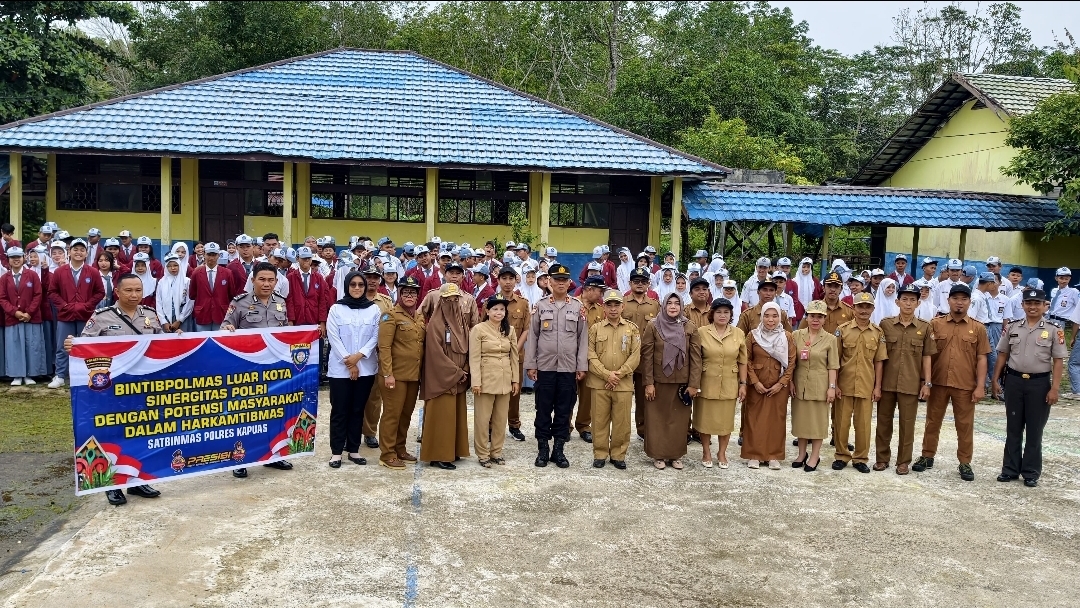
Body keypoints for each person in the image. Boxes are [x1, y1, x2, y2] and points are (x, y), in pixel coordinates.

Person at [63, 274, 163, 505]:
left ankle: (138, 481)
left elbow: (162, 345)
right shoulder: (101, 317)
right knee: (112, 434)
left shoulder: (150, 315)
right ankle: (113, 485)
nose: (134, 295)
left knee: (141, 432)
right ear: (117, 292)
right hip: (111, 390)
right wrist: (73, 344)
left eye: (138, 290)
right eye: (128, 290)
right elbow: (83, 345)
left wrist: (177, 338)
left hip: (141, 388)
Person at [221, 262, 294, 478]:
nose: (266, 284)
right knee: (244, 416)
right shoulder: (240, 303)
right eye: (262, 279)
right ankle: (240, 458)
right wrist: (227, 329)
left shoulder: (281, 303)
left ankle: (273, 455)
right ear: (253, 280)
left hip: (275, 371)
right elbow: (225, 326)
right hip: (247, 370)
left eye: (271, 280)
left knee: (274, 412)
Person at [913, 284, 991, 481]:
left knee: (964, 425)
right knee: (932, 422)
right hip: (938, 383)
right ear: (948, 300)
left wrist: (981, 386)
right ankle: (927, 455)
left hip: (965, 385)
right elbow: (927, 355)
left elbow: (982, 358)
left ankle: (965, 462)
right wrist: (925, 381)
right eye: (955, 298)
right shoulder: (935, 324)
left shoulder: (978, 328)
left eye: (963, 299)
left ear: (969, 302)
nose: (959, 302)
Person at [991, 288, 1065, 487]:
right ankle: (1010, 470)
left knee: (1034, 430)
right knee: (1013, 428)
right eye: (1029, 303)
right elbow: (1002, 355)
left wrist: (1055, 388)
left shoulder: (1053, 329)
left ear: (1044, 305)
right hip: (1014, 382)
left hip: (1039, 384)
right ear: (1022, 305)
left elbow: (1058, 361)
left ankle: (1031, 472)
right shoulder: (1012, 327)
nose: (1032, 307)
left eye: (1037, 303)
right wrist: (995, 380)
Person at [525, 263, 588, 469]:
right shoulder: (540, 306)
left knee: (564, 409)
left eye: (564, 280)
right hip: (545, 367)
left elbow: (583, 339)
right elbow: (533, 337)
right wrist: (531, 364)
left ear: (570, 283)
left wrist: (581, 366)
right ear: (549, 282)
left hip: (568, 368)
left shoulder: (577, 307)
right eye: (556, 280)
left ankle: (558, 450)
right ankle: (543, 448)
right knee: (542, 409)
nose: (560, 283)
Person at [875, 284, 936, 475]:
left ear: (918, 303)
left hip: (910, 384)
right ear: (897, 301)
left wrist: (927, 383)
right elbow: (879, 357)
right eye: (904, 299)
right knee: (883, 423)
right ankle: (882, 458)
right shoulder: (885, 325)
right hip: (887, 383)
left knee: (907, 424)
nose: (908, 304)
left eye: (912, 300)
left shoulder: (925, 328)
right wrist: (876, 385)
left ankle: (903, 461)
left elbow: (927, 357)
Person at [323, 269, 380, 469]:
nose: (357, 288)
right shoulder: (336, 309)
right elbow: (333, 337)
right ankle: (336, 452)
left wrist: (359, 357)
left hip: (366, 368)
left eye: (361, 285)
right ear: (347, 286)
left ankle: (354, 450)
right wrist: (350, 362)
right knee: (339, 410)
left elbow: (375, 337)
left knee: (357, 410)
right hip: (340, 370)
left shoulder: (373, 309)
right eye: (353, 284)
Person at [641, 293, 700, 470]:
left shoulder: (690, 327)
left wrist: (694, 384)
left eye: (676, 303)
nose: (673, 306)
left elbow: (696, 358)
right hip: (658, 381)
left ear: (682, 306)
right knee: (656, 419)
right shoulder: (653, 326)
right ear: (664, 305)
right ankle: (658, 454)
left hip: (682, 383)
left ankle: (675, 455)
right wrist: (648, 383)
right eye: (669, 303)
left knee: (679, 420)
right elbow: (647, 356)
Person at [688, 298, 747, 469]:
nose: (722, 315)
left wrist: (743, 384)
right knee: (705, 420)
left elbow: (742, 361)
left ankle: (722, 453)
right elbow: (695, 360)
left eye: (726, 312)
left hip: (729, 381)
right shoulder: (701, 332)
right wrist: (694, 383)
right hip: (706, 381)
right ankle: (706, 451)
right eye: (719, 312)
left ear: (731, 315)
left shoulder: (738, 333)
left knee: (725, 421)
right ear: (712, 314)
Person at [833, 292, 888, 473]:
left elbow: (879, 361)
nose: (864, 310)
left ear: (873, 309)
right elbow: (835, 359)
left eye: (868, 306)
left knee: (863, 424)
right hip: (845, 384)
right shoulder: (843, 330)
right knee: (841, 422)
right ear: (854, 308)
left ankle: (860, 458)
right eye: (860, 306)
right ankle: (841, 455)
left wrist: (877, 387)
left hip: (866, 384)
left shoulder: (878, 333)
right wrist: (835, 385)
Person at [586, 289, 641, 469]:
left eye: (616, 305)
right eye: (609, 305)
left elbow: (636, 355)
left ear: (622, 307)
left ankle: (618, 454)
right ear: (604, 308)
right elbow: (590, 354)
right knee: (599, 420)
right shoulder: (595, 328)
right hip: (599, 383)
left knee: (622, 422)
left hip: (623, 384)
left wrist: (618, 374)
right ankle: (600, 453)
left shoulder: (632, 329)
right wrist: (606, 374)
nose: (613, 309)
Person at [421, 283, 473, 470]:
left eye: (455, 299)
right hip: (442, 377)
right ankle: (438, 455)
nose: (452, 302)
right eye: (448, 299)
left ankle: (453, 450)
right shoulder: (435, 323)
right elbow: (435, 354)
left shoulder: (461, 322)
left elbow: (468, 348)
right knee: (442, 416)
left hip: (460, 376)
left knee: (455, 416)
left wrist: (465, 368)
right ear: (441, 301)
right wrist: (456, 372)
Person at [377, 276, 425, 469]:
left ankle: (400, 448)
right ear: (399, 294)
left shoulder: (419, 317)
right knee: (392, 414)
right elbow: (384, 347)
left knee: (405, 414)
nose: (409, 295)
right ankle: (387, 454)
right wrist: (388, 374)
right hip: (394, 376)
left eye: (413, 292)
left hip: (413, 375)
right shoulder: (390, 315)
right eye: (405, 292)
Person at [740, 302, 795, 470]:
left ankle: (773, 455)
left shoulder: (787, 336)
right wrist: (754, 381)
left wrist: (782, 383)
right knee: (754, 418)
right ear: (762, 316)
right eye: (767, 315)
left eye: (775, 316)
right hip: (757, 384)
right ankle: (754, 455)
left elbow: (792, 361)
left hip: (778, 385)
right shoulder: (753, 335)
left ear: (780, 317)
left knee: (776, 420)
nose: (771, 320)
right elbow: (745, 360)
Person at [469, 294, 520, 468]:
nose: (499, 312)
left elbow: (514, 356)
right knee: (482, 420)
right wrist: (475, 381)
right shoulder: (479, 329)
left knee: (500, 419)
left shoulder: (510, 330)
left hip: (505, 379)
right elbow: (474, 357)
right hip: (485, 379)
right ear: (487, 311)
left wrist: (515, 380)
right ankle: (482, 453)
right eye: (495, 309)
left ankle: (496, 452)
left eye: (502, 309)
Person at [47, 238, 104, 389]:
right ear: (69, 252)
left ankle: (86, 375)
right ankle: (60, 375)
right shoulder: (60, 272)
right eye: (75, 249)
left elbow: (100, 292)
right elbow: (52, 292)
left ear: (86, 253)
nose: (78, 253)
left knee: (86, 345)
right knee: (62, 346)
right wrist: (64, 305)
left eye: (82, 250)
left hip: (86, 316)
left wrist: (87, 305)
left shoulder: (92, 272)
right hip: (65, 316)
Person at [788, 300, 838, 472]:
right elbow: (791, 362)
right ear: (807, 317)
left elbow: (833, 365)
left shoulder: (830, 339)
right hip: (800, 383)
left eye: (819, 317)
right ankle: (802, 454)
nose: (815, 320)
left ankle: (815, 455)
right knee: (801, 421)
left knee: (817, 422)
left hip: (820, 385)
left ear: (824, 319)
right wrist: (790, 381)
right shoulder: (796, 335)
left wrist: (832, 387)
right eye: (812, 316)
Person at [490, 266, 530, 442]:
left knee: (515, 391)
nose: (507, 282)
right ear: (498, 281)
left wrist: (514, 349)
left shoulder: (523, 303)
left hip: (515, 356)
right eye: (504, 278)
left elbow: (527, 329)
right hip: (493, 356)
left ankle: (514, 425)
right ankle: (491, 427)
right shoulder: (490, 302)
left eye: (511, 278)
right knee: (493, 391)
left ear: (516, 280)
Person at [621, 267, 660, 439]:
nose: (639, 284)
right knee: (621, 396)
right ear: (630, 283)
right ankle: (619, 430)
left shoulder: (654, 305)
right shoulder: (621, 303)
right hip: (623, 357)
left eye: (643, 281)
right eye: (636, 281)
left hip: (645, 358)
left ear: (648, 284)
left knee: (644, 397)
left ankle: (643, 430)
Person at [1, 248, 47, 384]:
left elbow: (38, 294)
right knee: (14, 346)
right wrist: (14, 312)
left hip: (31, 318)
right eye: (12, 257)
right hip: (12, 318)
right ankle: (16, 375)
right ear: (8, 260)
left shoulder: (32, 275)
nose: (16, 259)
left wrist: (29, 312)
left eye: (19, 257)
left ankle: (29, 375)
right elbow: (2, 298)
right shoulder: (4, 278)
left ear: (23, 258)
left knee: (32, 345)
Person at [188, 242, 241, 332]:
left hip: (221, 313)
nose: (211, 258)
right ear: (204, 254)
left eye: (214, 255)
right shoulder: (196, 272)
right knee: (203, 341)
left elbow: (231, 294)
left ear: (218, 255)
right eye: (209, 254)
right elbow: (192, 294)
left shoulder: (227, 273)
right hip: (203, 314)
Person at [156, 253, 194, 333]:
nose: (173, 268)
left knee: (183, 341)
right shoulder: (162, 282)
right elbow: (158, 302)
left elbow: (190, 302)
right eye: (169, 266)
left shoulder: (186, 281)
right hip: (166, 317)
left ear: (179, 266)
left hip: (183, 316)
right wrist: (163, 321)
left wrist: (180, 320)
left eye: (175, 265)